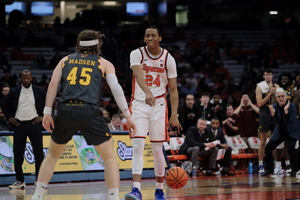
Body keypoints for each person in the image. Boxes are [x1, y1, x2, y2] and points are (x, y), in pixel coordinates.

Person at [31, 29, 136, 200]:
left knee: (52, 155)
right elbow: (116, 89)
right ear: (98, 46)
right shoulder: (103, 63)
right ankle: (113, 197)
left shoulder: (65, 60)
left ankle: (37, 194)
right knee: (109, 157)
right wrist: (128, 115)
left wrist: (47, 112)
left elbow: (52, 85)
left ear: (78, 44)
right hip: (88, 111)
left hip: (65, 110)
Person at [125, 26, 182, 200]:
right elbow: (138, 75)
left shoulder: (168, 58)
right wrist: (147, 92)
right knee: (137, 146)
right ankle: (136, 189)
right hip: (139, 104)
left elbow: (173, 89)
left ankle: (159, 189)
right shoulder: (137, 54)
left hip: (159, 106)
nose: (150, 38)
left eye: (153, 35)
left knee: (157, 149)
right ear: (144, 39)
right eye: (147, 36)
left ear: (160, 38)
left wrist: (174, 115)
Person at [0, 69, 45, 189]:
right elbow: (3, 104)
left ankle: (39, 181)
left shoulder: (39, 90)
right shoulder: (14, 91)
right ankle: (20, 181)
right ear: (20, 78)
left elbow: (48, 104)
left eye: (28, 78)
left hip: (34, 125)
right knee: (18, 154)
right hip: (19, 125)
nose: (26, 80)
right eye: (24, 78)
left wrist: (42, 117)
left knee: (39, 154)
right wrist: (9, 118)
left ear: (31, 78)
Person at [261, 88, 300, 177]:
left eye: (282, 96)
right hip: (280, 131)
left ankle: (294, 170)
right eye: (279, 96)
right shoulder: (274, 106)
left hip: (292, 131)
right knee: (268, 148)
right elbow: (271, 121)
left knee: (291, 148)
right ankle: (269, 169)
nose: (281, 98)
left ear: (286, 97)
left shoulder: (292, 107)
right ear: (276, 98)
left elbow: (292, 121)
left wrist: (286, 112)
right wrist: (272, 115)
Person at [255, 68, 279, 174]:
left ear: (272, 76)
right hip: (264, 114)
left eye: (270, 74)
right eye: (266, 75)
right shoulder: (259, 87)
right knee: (263, 141)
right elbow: (259, 104)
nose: (268, 76)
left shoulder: (277, 87)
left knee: (275, 140)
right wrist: (269, 94)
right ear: (263, 76)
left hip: (274, 115)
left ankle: (274, 164)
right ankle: (260, 164)